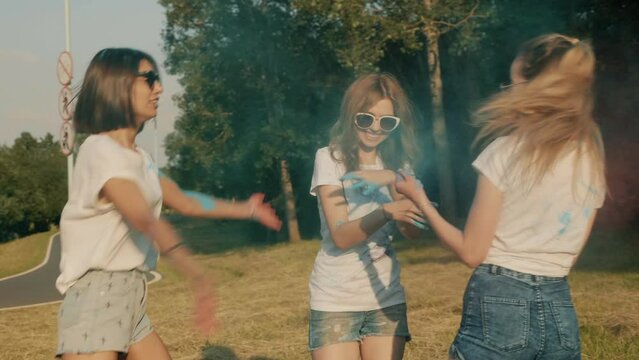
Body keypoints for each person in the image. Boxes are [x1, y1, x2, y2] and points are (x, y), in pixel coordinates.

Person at [56, 48, 282, 360]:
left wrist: (247, 208)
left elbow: (185, 200)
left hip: (129, 295)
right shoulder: (100, 151)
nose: (159, 87)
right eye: (149, 79)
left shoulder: (140, 159)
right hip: (99, 294)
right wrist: (197, 275)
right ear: (118, 85)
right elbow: (144, 219)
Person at [394, 34, 606, 359]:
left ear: (532, 88)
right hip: (559, 303)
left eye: (511, 84)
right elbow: (567, 254)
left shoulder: (505, 152)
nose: (507, 94)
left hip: (500, 298)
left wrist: (419, 198)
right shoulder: (590, 160)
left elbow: (471, 252)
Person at [308, 73, 425, 360]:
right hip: (335, 298)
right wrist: (385, 211)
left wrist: (392, 180)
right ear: (351, 115)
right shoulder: (330, 158)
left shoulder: (399, 166)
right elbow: (342, 235)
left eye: (386, 122)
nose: (375, 128)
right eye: (366, 118)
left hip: (386, 299)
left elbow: (413, 231)